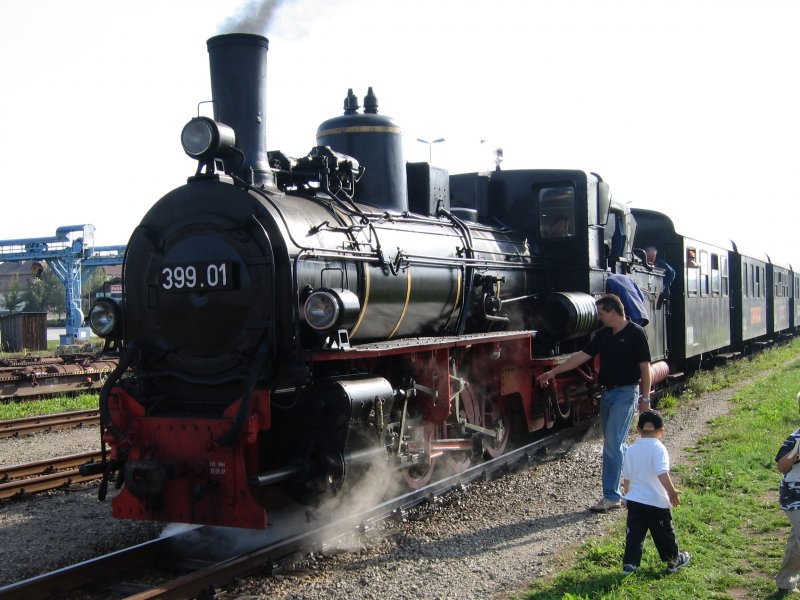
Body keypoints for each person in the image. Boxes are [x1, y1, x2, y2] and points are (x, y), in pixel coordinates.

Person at [536, 294, 652, 512]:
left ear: (613, 312)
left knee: (612, 445)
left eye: (601, 313)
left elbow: (645, 368)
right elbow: (581, 356)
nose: (599, 317)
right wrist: (553, 372)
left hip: (626, 393)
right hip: (607, 394)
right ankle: (636, 476)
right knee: (616, 443)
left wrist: (645, 398)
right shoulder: (603, 334)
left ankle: (611, 496)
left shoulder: (635, 333)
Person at [621, 410, 691, 575]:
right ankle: (673, 561)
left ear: (638, 429)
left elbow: (627, 477)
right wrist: (672, 493)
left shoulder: (631, 450)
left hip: (635, 502)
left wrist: (626, 496)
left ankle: (630, 565)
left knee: (634, 535)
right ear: (662, 431)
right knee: (664, 534)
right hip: (656, 502)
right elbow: (662, 473)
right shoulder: (659, 449)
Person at [775, 392, 800, 593]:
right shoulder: (796, 438)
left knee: (796, 544)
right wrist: (795, 454)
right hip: (795, 497)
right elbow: (781, 467)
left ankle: (785, 581)